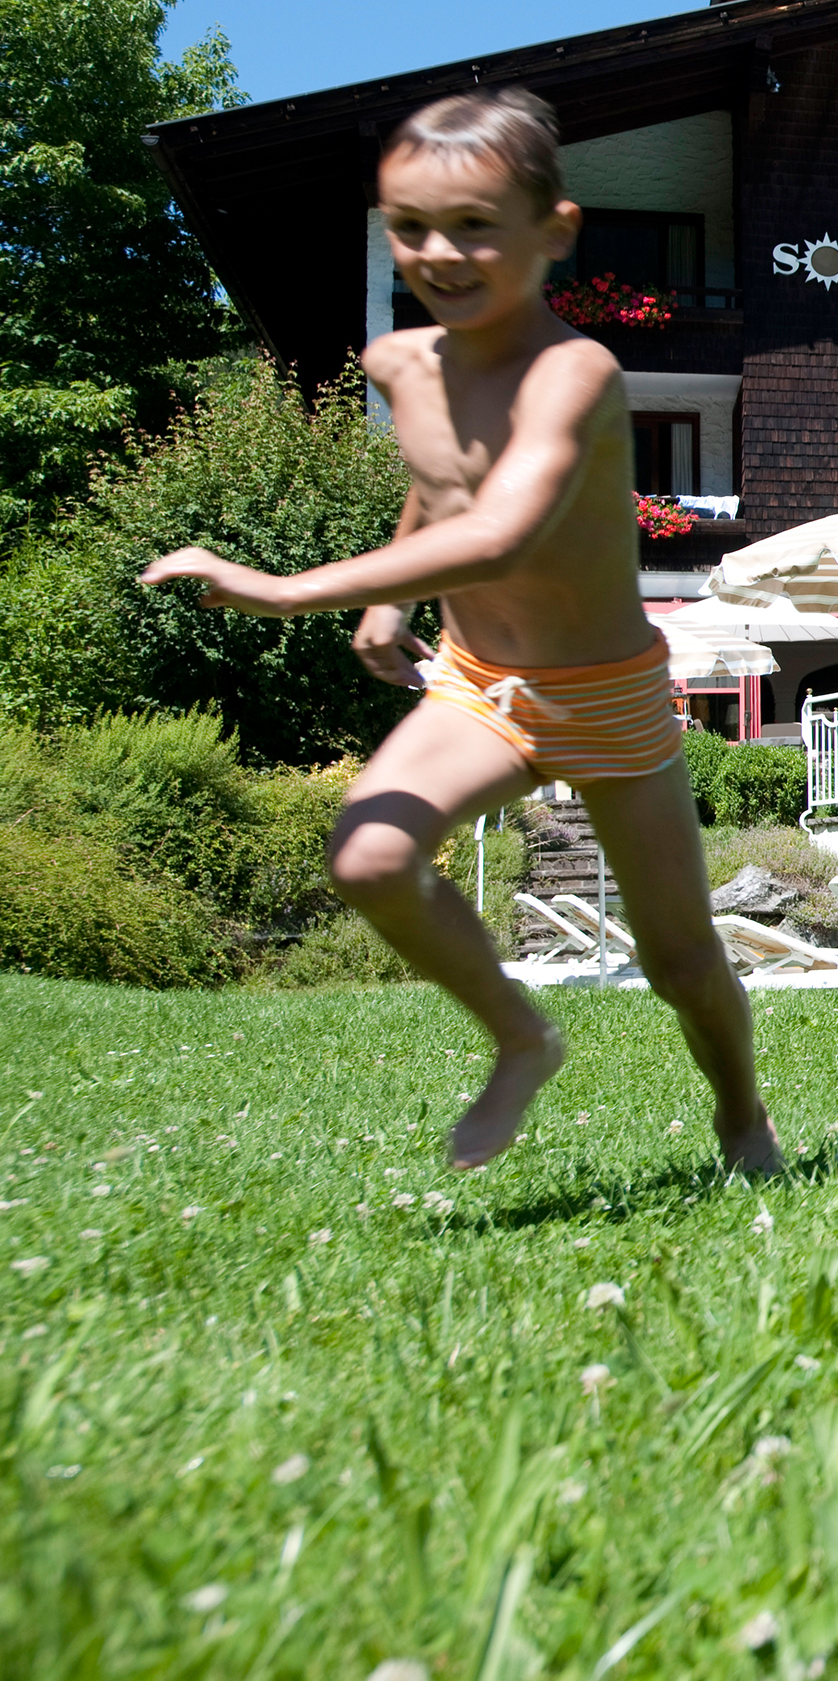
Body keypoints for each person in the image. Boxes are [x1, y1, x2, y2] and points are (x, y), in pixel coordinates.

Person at [138, 89, 782, 1176]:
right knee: (371, 857)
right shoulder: (400, 364)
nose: (441, 252)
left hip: (607, 694)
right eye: (411, 227)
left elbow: (500, 532)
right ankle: (522, 1036)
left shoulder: (574, 374)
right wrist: (390, 603)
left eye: (477, 224)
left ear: (555, 231)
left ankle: (739, 1117)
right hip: (481, 682)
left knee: (678, 958)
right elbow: (443, 488)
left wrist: (294, 591)